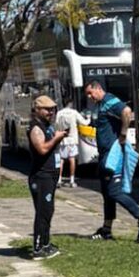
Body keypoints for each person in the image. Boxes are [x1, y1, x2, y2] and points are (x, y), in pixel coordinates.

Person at [84, 79, 139, 242]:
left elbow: (127, 111)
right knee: (107, 194)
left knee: (115, 192)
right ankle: (106, 229)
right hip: (104, 157)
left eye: (90, 93)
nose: (89, 97)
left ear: (98, 89)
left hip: (112, 157)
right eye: (87, 94)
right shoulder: (101, 105)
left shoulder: (110, 101)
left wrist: (123, 134)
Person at [28, 96, 67, 259]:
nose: (51, 112)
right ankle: (38, 248)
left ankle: (46, 243)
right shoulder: (36, 128)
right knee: (43, 212)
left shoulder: (47, 126)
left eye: (53, 109)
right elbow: (42, 149)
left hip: (50, 175)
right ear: (37, 110)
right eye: (47, 109)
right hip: (41, 176)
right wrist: (57, 138)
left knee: (48, 211)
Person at [55, 100, 87, 188]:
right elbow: (84, 122)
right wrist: (89, 118)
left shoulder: (59, 113)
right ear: (71, 104)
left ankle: (59, 179)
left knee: (61, 160)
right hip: (72, 140)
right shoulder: (74, 112)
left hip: (62, 139)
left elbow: (56, 125)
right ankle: (72, 180)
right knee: (72, 159)